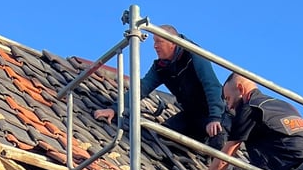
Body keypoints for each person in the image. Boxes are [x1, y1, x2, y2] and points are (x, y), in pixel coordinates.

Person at [94, 24, 226, 148]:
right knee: (163, 136)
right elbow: (142, 88)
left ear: (173, 43)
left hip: (215, 114)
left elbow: (212, 86)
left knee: (218, 139)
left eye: (159, 42)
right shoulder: (161, 67)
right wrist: (115, 108)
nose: (155, 46)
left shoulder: (194, 55)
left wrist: (215, 117)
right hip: (192, 115)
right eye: (154, 42)